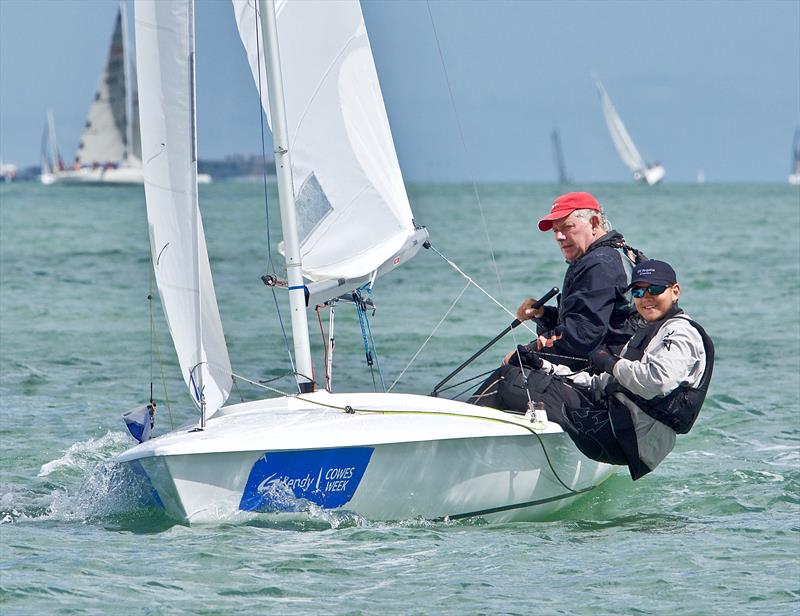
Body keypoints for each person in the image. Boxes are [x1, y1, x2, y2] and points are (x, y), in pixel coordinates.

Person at [495, 260, 714, 480]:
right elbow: (600, 383)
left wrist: (610, 362)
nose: (645, 297)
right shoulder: (651, 331)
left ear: (675, 292)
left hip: (630, 438)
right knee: (528, 373)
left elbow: (658, 382)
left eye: (654, 289)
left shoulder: (680, 332)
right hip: (619, 422)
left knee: (512, 380)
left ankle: (491, 453)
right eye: (638, 292)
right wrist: (544, 366)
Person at [470, 191, 644, 407]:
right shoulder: (615, 253)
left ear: (593, 222)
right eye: (555, 231)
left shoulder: (600, 263)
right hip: (608, 370)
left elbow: (581, 337)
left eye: (567, 227)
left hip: (606, 384)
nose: (559, 237)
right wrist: (544, 314)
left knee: (509, 376)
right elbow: (596, 321)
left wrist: (528, 352)